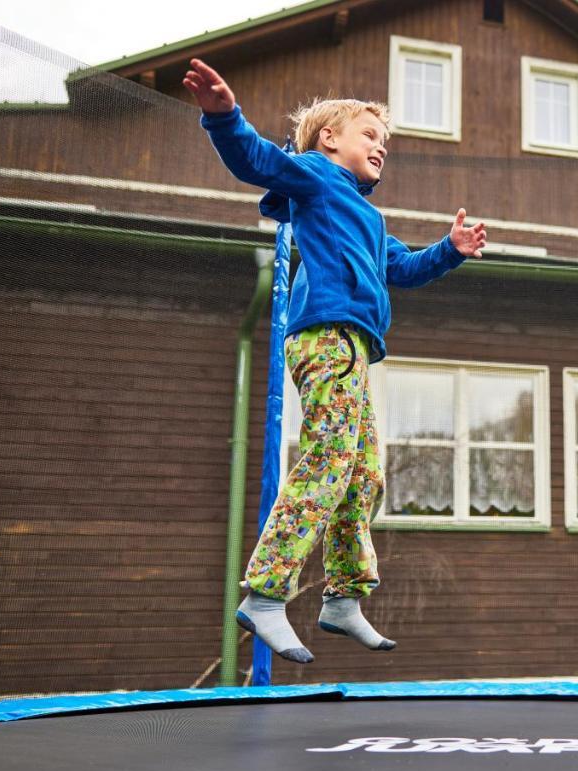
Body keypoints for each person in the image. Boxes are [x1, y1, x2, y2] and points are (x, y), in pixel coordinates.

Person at [184, 58, 487, 663]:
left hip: (353, 349)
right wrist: (223, 117)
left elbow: (402, 269)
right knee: (327, 461)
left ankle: (343, 598)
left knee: (362, 474)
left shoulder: (370, 217)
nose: (381, 147)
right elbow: (257, 160)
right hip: (325, 339)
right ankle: (267, 592)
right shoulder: (316, 179)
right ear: (330, 138)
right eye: (369, 134)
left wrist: (449, 250)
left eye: (386, 141)